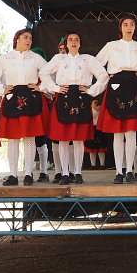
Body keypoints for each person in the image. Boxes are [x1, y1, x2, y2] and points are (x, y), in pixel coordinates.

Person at [40, 32, 109, 185]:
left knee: (78, 139)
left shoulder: (88, 59)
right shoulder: (59, 58)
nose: (73, 42)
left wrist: (91, 91)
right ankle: (65, 173)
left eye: (76, 40)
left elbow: (104, 76)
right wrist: (54, 88)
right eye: (70, 40)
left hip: (81, 98)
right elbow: (43, 72)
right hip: (63, 96)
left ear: (80, 43)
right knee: (63, 138)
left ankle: (77, 172)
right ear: (65, 43)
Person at [96, 15, 137, 183]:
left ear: (135, 28)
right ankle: (118, 171)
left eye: (131, 24)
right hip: (117, 85)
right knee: (117, 132)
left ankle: (129, 170)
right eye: (125, 24)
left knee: (131, 130)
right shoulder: (111, 46)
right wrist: (107, 75)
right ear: (120, 28)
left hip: (135, 85)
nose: (128, 27)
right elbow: (95, 63)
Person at [0, 29, 50, 186]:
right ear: (17, 39)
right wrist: (2, 90)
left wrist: (40, 87)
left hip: (32, 98)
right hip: (12, 98)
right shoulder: (6, 58)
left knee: (29, 137)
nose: (28, 41)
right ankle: (13, 175)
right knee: (13, 138)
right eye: (25, 37)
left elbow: (50, 74)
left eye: (30, 38)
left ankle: (28, 174)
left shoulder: (36, 58)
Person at [31, 46, 53, 182]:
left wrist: (40, 89)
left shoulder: (46, 75)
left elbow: (51, 94)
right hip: (27, 109)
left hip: (43, 108)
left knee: (41, 140)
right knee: (29, 139)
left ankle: (44, 171)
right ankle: (29, 171)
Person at [85, 98, 107, 169]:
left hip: (99, 129)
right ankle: (93, 164)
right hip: (92, 128)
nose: (96, 104)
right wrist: (94, 109)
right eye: (95, 103)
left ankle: (102, 164)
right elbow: (91, 117)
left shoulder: (101, 110)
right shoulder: (90, 110)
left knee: (101, 147)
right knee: (91, 148)